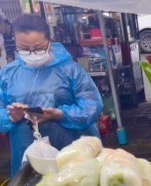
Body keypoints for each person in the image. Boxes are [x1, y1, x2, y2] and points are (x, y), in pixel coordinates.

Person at [0, 14, 103, 176]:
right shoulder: (8, 74)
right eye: (24, 48)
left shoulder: (70, 70)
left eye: (39, 47)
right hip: (27, 152)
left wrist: (60, 114)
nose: (32, 53)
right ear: (15, 41)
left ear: (50, 40)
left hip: (71, 148)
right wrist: (12, 116)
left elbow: (92, 106)